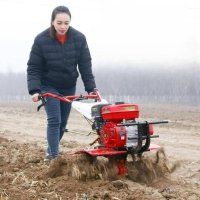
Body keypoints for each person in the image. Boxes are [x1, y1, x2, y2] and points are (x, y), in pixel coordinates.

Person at [27, 6, 97, 160]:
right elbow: (34, 67)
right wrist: (34, 90)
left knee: (63, 123)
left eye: (66, 23)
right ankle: (53, 156)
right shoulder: (41, 39)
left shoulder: (79, 38)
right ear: (52, 22)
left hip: (68, 85)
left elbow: (85, 64)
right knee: (54, 120)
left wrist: (91, 88)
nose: (63, 26)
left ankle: (50, 150)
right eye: (59, 23)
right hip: (48, 85)